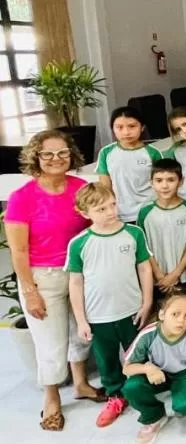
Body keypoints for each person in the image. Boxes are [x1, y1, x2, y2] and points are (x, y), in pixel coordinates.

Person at [5, 130, 103, 431]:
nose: (55, 159)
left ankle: (81, 384)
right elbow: (19, 251)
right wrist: (30, 292)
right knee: (50, 341)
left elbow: (94, 228)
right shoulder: (22, 197)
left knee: (79, 333)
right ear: (35, 156)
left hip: (78, 273)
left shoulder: (81, 188)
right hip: (42, 277)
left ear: (71, 155)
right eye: (47, 153)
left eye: (62, 153)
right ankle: (51, 398)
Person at [66, 182, 154, 427]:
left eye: (112, 205)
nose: (110, 212)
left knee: (138, 352)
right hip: (98, 315)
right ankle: (115, 395)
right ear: (85, 213)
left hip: (132, 310)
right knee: (106, 360)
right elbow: (75, 282)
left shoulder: (133, 233)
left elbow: (144, 268)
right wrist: (82, 319)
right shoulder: (79, 243)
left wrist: (146, 302)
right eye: (102, 209)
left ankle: (142, 391)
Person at [122, 290, 186, 443]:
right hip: (158, 372)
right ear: (162, 315)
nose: (181, 320)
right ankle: (154, 415)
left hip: (184, 374)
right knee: (131, 387)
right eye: (175, 314)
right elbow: (126, 368)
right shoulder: (148, 334)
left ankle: (180, 394)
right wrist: (148, 368)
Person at [136, 159, 186, 302]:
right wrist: (159, 275)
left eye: (171, 180)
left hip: (184, 278)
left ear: (181, 181)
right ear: (151, 183)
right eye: (159, 180)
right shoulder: (145, 213)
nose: (164, 185)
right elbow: (143, 247)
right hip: (157, 280)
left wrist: (175, 274)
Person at [97, 107, 165, 222]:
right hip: (120, 214)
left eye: (132, 126)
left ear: (142, 127)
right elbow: (105, 188)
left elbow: (162, 183)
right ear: (113, 128)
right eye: (119, 127)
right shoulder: (106, 152)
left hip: (150, 212)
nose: (126, 132)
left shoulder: (153, 153)